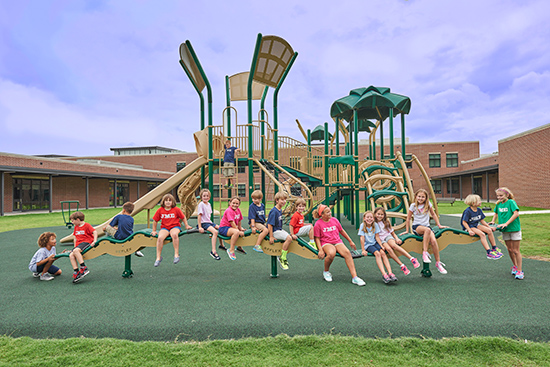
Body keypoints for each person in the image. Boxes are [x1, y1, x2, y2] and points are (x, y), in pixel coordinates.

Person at [313, 205, 365, 286]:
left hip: (337, 241)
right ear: (322, 215)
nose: (330, 213)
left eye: (329, 211)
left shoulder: (334, 220)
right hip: (326, 242)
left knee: (347, 253)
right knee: (331, 253)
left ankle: (355, 277)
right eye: (327, 212)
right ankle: (326, 271)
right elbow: (317, 238)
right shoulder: (318, 224)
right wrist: (320, 249)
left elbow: (342, 231)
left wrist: (350, 241)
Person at [403, 189, 447, 273]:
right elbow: (408, 218)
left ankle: (438, 263)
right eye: (419, 196)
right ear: (416, 197)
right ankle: (425, 253)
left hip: (427, 227)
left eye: (423, 197)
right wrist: (407, 230)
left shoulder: (428, 204)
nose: (420, 198)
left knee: (434, 241)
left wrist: (439, 225)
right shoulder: (413, 206)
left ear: (426, 198)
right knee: (427, 230)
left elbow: (433, 214)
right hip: (417, 227)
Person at [374, 207, 420, 276]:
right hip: (381, 240)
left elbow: (392, 233)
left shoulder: (386, 222)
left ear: (384, 215)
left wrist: (397, 238)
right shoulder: (374, 223)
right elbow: (376, 236)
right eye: (378, 214)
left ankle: (412, 258)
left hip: (387, 236)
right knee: (389, 249)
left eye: (382, 214)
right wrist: (381, 245)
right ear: (375, 214)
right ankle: (402, 265)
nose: (380, 216)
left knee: (394, 245)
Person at [489, 187, 523, 280]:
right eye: (497, 196)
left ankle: (520, 270)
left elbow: (516, 214)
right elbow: (496, 213)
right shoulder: (499, 204)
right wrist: (493, 221)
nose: (499, 197)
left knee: (516, 250)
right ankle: (515, 266)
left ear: (507, 195)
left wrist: (506, 223)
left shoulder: (511, 202)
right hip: (504, 230)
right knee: (509, 249)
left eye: (501, 195)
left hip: (514, 229)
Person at [151, 193, 192, 267]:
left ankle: (176, 254)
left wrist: (186, 225)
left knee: (174, 235)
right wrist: (154, 230)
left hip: (175, 226)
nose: (168, 202)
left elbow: (183, 217)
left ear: (173, 202)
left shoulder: (176, 209)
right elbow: (155, 220)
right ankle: (158, 257)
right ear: (163, 202)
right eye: (166, 200)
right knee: (160, 238)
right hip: (165, 228)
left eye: (170, 201)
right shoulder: (160, 210)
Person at [358, 211, 396, 284]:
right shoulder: (362, 225)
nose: (369, 219)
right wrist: (363, 249)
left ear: (373, 218)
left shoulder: (375, 224)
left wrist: (381, 245)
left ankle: (390, 273)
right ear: (364, 218)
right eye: (367, 217)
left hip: (375, 243)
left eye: (371, 217)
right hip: (368, 245)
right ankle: (384, 274)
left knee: (383, 253)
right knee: (377, 254)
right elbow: (362, 238)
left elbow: (377, 237)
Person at [461, 194, 502, 260]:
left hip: (476, 225)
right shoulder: (467, 211)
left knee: (489, 231)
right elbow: (464, 222)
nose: (481, 202)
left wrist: (489, 227)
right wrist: (469, 230)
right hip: (469, 226)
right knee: (482, 234)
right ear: (474, 203)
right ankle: (489, 252)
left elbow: (482, 221)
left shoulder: (479, 210)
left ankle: (494, 248)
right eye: (479, 201)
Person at [267, 192, 294, 270]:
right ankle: (282, 257)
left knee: (290, 237)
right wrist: (271, 236)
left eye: (285, 199)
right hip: (274, 231)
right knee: (289, 238)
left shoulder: (279, 210)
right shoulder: (274, 211)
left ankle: (283, 256)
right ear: (277, 200)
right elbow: (269, 224)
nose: (284, 201)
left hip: (279, 230)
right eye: (282, 200)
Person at [70, 211, 98, 283]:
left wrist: (94, 241)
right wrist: (74, 247)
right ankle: (76, 271)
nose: (72, 222)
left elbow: (95, 232)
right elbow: (75, 237)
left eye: (73, 221)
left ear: (78, 219)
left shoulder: (87, 225)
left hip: (86, 242)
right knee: (71, 255)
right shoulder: (76, 227)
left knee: (76, 251)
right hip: (79, 245)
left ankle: (83, 267)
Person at [197, 188, 223, 260]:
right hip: (204, 223)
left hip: (209, 222)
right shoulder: (201, 204)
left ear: (209, 197)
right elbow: (199, 216)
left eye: (207, 196)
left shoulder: (209, 204)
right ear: (201, 197)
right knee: (215, 232)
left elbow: (208, 216)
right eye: (204, 196)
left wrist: (212, 224)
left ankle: (222, 245)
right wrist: (200, 227)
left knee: (221, 228)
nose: (206, 197)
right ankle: (213, 251)